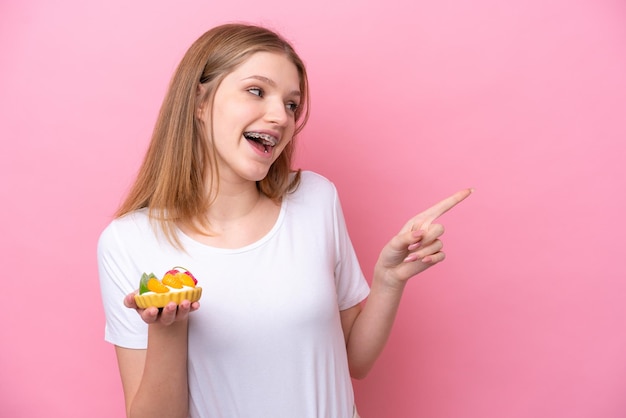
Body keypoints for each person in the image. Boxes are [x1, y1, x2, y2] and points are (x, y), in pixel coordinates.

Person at [97, 22, 472, 418]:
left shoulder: (315, 200)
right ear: (199, 101)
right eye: (256, 91)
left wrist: (388, 280)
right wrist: (168, 329)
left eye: (292, 104)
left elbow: (354, 361)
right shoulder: (128, 241)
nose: (280, 116)